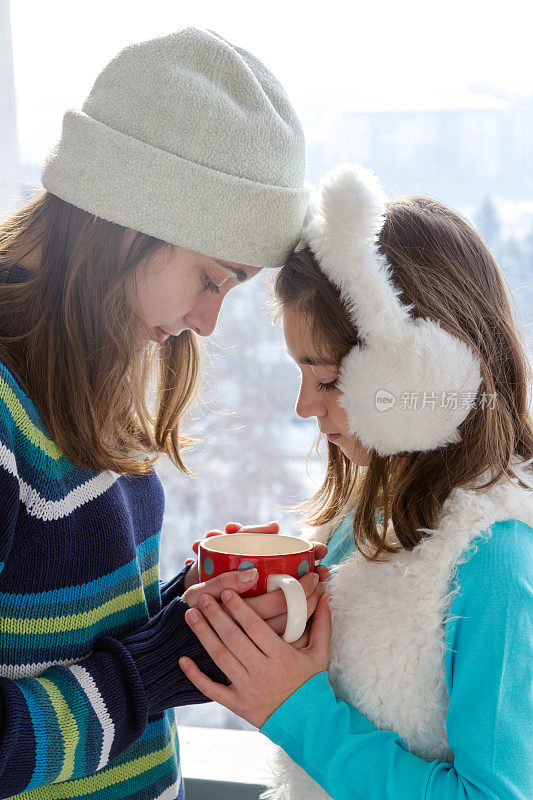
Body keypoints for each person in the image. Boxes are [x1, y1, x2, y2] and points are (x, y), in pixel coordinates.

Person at [0, 27, 329, 799]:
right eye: (211, 279)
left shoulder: (83, 365)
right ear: (128, 214)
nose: (208, 322)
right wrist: (153, 668)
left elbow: (63, 629)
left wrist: (184, 614)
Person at [180, 163, 533, 799]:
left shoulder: (497, 558)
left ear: (419, 373)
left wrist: (298, 712)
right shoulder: (368, 515)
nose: (301, 407)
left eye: (327, 379)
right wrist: (273, 620)